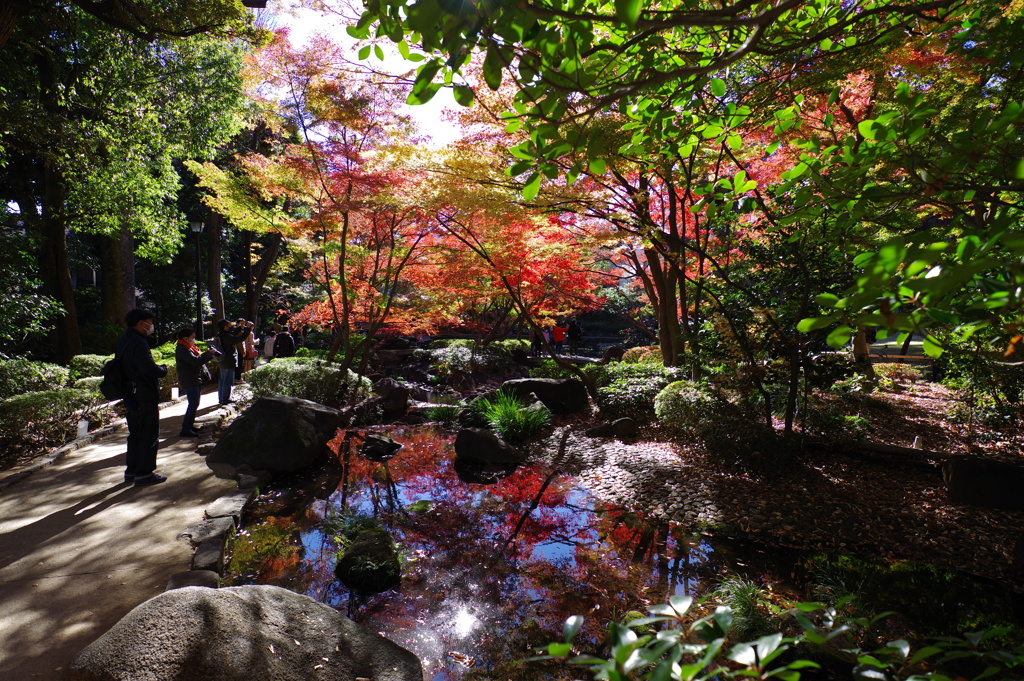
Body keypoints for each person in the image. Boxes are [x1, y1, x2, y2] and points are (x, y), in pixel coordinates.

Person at [116, 309, 168, 486]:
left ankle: (132, 471)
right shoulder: (139, 342)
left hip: (131, 394)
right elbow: (148, 368)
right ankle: (144, 473)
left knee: (135, 434)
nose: (151, 326)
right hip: (144, 395)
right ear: (140, 323)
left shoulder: (123, 340)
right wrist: (162, 370)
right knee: (148, 433)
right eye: (149, 322)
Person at [174, 327, 217, 437]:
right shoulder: (183, 349)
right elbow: (195, 361)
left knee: (194, 404)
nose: (194, 339)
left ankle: (189, 426)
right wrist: (208, 353)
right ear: (185, 338)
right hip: (189, 379)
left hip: (193, 379)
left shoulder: (189, 348)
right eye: (193, 338)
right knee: (193, 404)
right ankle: (185, 429)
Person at [215, 319, 250, 405]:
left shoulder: (220, 335)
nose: (231, 327)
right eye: (229, 326)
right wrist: (247, 329)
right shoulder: (227, 337)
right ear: (225, 327)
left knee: (222, 381)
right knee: (227, 381)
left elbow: (233, 334)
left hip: (222, 361)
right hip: (228, 361)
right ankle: (225, 399)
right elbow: (240, 338)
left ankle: (221, 398)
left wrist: (240, 328)